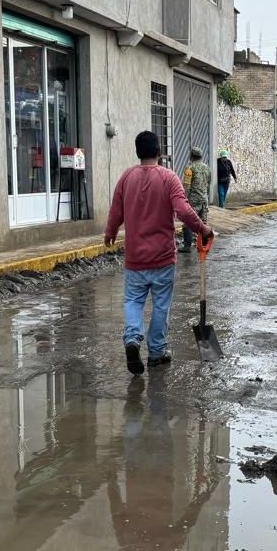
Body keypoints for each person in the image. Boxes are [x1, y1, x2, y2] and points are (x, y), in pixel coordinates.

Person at [105, 131, 212, 375]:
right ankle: (156, 352)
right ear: (160, 153)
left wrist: (109, 233)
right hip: (163, 258)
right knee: (161, 305)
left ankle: (132, 339)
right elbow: (183, 211)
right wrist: (203, 228)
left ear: (137, 152)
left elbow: (115, 211)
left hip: (135, 259)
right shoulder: (169, 178)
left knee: (133, 300)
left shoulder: (126, 178)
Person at [181, 147, 211, 251]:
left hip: (193, 199)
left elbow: (187, 186)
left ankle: (187, 246)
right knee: (203, 222)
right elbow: (208, 184)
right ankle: (204, 246)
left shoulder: (189, 168)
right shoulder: (207, 168)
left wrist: (184, 199)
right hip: (204, 199)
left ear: (191, 156)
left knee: (188, 222)